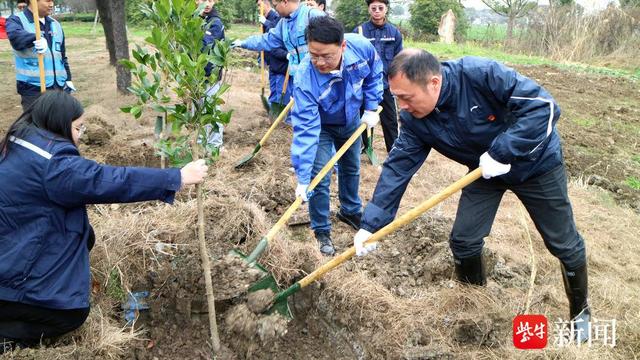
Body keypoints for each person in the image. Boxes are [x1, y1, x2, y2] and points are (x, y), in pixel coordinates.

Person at [353, 49, 591, 342]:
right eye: (396, 98)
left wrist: (504, 149)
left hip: (535, 165)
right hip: (485, 172)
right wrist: (370, 224)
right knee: (464, 241)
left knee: (563, 243)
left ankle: (581, 312)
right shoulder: (416, 120)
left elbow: (544, 107)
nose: (401, 107)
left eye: (406, 98)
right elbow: (397, 168)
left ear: (434, 83)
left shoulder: (480, 75)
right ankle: (476, 305)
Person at [0, 91, 209, 350]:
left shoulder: (19, 145)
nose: (81, 134)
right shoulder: (54, 165)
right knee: (70, 313)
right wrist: (176, 178)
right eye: (78, 127)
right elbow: (109, 180)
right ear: (57, 122)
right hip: (15, 283)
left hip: (11, 257)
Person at [292, 16, 383, 255]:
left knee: (351, 167)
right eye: (314, 55)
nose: (320, 62)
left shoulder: (361, 48)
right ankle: (322, 229)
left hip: (352, 119)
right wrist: (303, 176)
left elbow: (375, 72)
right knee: (319, 176)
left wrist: (372, 107)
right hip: (320, 127)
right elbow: (305, 129)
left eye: (327, 56)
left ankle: (350, 210)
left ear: (342, 46)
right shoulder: (304, 79)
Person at [231, 0, 325, 80]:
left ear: (285, 2)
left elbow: (333, 47)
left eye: (275, 5)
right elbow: (267, 40)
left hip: (319, 78)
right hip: (300, 78)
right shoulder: (283, 23)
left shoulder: (313, 15)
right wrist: (244, 43)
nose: (274, 9)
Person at [7, 0, 74, 111]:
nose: (51, 4)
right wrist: (35, 38)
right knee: (38, 126)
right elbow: (16, 38)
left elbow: (62, 56)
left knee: (59, 124)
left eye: (53, 0)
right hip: (33, 89)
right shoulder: (17, 20)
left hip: (59, 87)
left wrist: (68, 79)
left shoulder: (55, 24)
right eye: (47, 0)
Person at [354, 0, 402, 153]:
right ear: (369, 9)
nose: (377, 11)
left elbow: (399, 59)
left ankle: (393, 151)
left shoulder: (394, 33)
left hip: (385, 85)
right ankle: (364, 147)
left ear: (386, 9)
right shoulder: (359, 31)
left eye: (380, 8)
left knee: (390, 121)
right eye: (373, 8)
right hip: (364, 85)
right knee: (364, 118)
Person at [197, 0, 225, 147]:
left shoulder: (215, 22)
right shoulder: (195, 20)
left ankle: (215, 146)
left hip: (210, 75)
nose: (207, 3)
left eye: (210, 0)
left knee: (212, 110)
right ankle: (200, 143)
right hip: (195, 77)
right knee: (198, 110)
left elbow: (206, 46)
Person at [257, 0, 291, 111]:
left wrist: (266, 23)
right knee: (274, 89)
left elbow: (275, 32)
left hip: (280, 61)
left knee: (281, 89)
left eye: (259, 5)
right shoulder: (269, 17)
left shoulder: (277, 16)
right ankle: (273, 111)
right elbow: (264, 40)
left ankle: (282, 115)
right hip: (272, 61)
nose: (258, 8)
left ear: (266, 5)